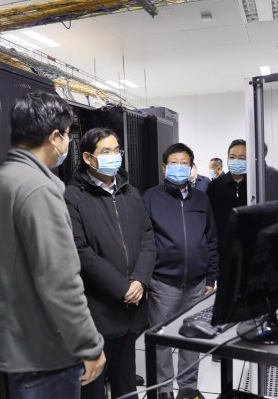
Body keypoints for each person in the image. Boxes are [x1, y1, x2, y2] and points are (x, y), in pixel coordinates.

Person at [0, 91, 105, 399]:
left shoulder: (2, 179)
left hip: (15, 342)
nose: (67, 143)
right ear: (54, 137)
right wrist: (89, 345)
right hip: (44, 352)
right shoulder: (38, 189)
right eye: (67, 136)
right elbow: (60, 280)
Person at [64, 127, 156, 399]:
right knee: (93, 387)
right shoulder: (72, 197)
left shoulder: (131, 193)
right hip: (98, 311)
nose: (114, 156)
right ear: (88, 158)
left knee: (126, 384)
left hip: (131, 310)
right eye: (106, 151)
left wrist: (140, 279)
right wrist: (122, 288)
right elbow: (79, 251)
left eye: (117, 151)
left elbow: (147, 237)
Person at [142, 143, 219, 399]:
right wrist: (145, 279)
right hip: (163, 283)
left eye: (184, 163)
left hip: (197, 283)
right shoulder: (150, 198)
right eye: (174, 163)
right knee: (162, 340)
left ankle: (188, 387)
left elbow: (211, 239)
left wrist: (211, 277)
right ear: (164, 167)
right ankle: (163, 389)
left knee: (191, 339)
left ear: (192, 167)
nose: (179, 167)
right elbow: (144, 241)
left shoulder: (201, 199)